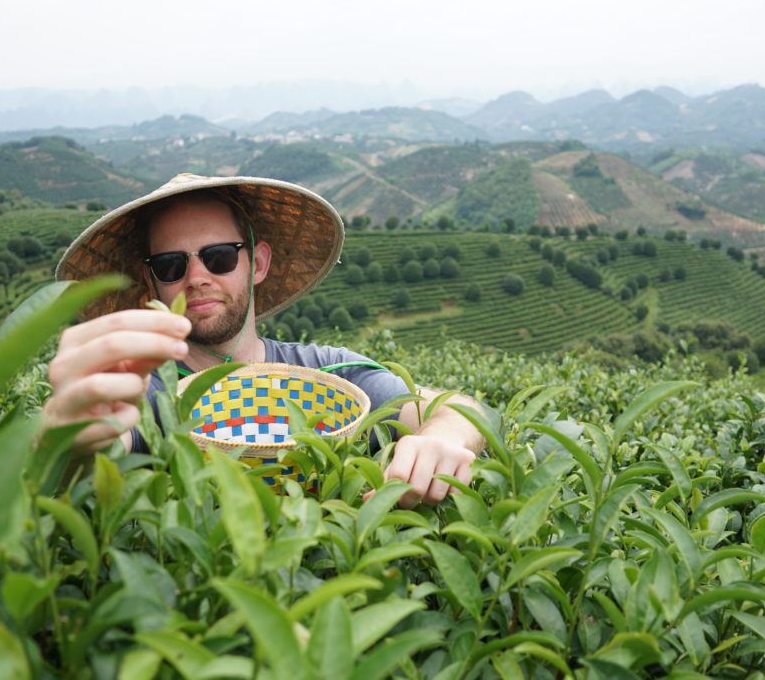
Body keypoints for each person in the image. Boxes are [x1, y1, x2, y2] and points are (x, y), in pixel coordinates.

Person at [43, 174, 483, 508]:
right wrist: (71, 439)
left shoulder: (326, 372)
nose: (197, 278)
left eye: (219, 257)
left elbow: (456, 407)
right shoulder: (149, 394)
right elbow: (88, 455)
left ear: (258, 263)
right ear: (151, 283)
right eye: (171, 265)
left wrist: (443, 438)